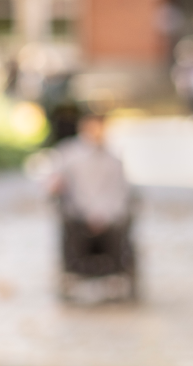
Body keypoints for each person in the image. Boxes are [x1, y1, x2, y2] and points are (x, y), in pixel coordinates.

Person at [45, 108, 136, 299]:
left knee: (120, 230)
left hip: (109, 216)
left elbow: (121, 192)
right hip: (78, 214)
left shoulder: (114, 160)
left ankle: (117, 275)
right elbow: (53, 183)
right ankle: (73, 274)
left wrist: (105, 214)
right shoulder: (68, 155)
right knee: (72, 227)